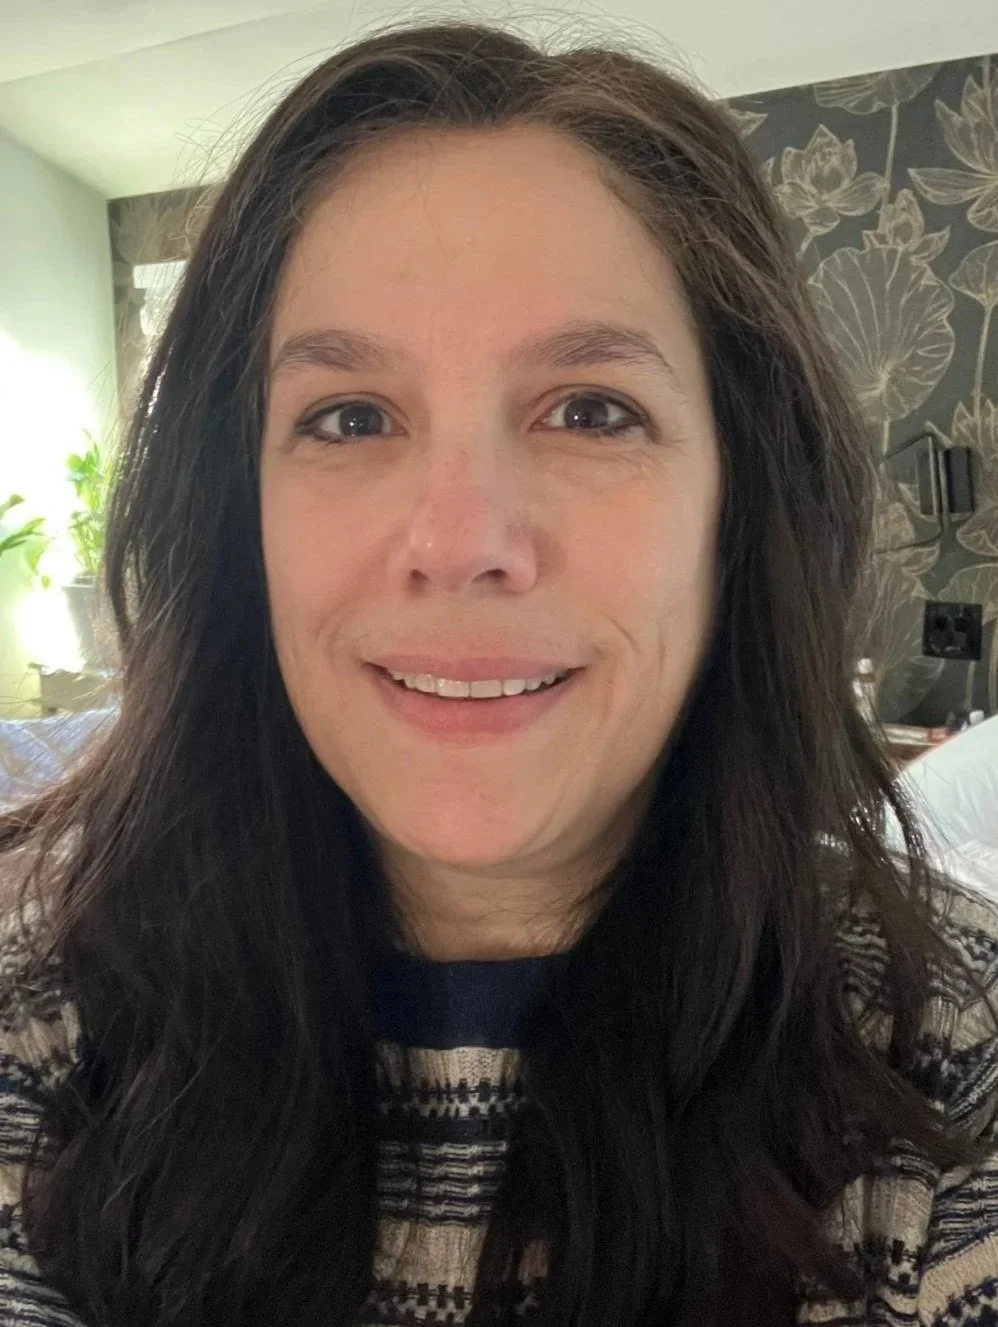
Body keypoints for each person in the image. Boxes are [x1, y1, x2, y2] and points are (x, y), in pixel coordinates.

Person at [1, 18, 996, 1327]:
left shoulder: (944, 1058)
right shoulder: (48, 1047)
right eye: (347, 416)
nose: (461, 541)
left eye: (589, 408)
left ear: (739, 503)